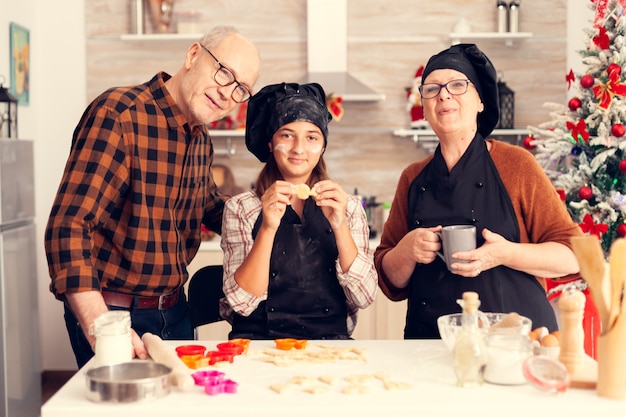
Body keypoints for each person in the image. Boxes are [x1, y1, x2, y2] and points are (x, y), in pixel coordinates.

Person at [44, 26, 260, 368]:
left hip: (176, 312)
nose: (227, 93)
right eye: (224, 73)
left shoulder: (200, 136)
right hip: (116, 313)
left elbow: (206, 205)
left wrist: (273, 214)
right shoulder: (119, 115)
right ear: (193, 55)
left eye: (240, 89)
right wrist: (103, 326)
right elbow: (67, 226)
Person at [374, 43, 582, 339]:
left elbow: (572, 255)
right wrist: (407, 251)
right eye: (431, 89)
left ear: (481, 101)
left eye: (458, 85)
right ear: (425, 108)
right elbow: (389, 280)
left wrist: (504, 253)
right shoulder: (412, 177)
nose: (444, 94)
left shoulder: (517, 164)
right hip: (430, 344)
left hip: (515, 343)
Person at [220, 82, 378, 339]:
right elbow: (241, 303)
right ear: (271, 143)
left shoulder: (347, 207)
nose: (298, 148)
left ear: (323, 146)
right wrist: (268, 227)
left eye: (311, 137)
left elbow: (365, 295)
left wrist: (339, 226)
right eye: (287, 135)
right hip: (258, 343)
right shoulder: (241, 208)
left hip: (330, 345)